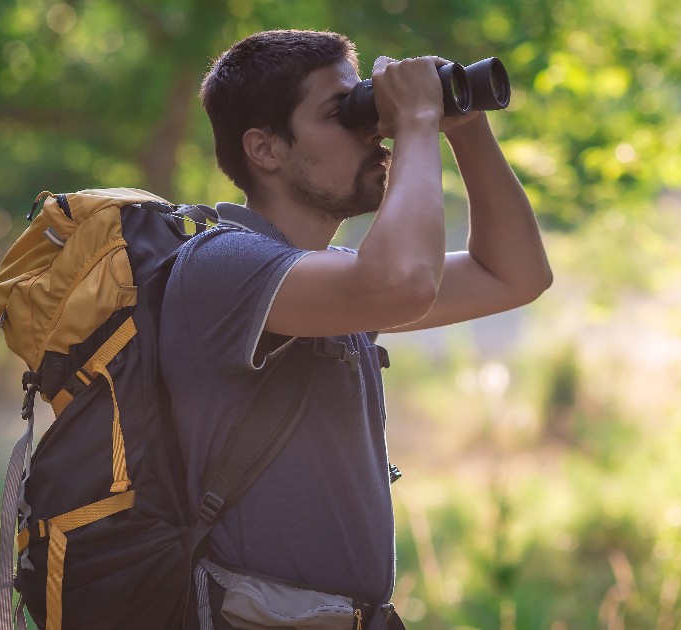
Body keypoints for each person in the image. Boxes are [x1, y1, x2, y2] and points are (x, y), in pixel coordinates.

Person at [158, 29, 552, 629]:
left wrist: (463, 126)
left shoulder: (332, 279)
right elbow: (404, 284)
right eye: (341, 113)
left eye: (363, 104)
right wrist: (418, 121)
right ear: (266, 149)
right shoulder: (223, 267)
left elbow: (515, 274)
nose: (373, 129)